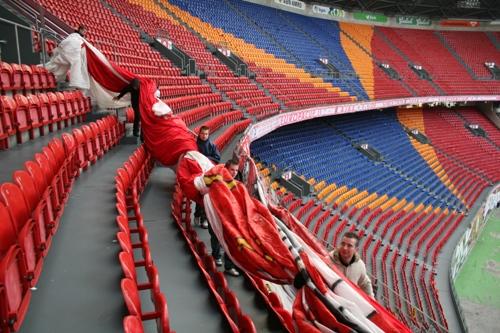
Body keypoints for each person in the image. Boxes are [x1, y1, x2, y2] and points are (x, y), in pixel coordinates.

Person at [208, 158, 241, 277]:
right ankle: (216, 256)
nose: (234, 172)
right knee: (215, 236)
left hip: (229, 217)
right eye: (232, 169)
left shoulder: (237, 181)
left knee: (230, 240)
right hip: (216, 214)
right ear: (226, 168)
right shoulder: (218, 180)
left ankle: (228, 266)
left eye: (236, 170)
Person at [329, 232, 374, 297]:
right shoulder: (328, 261)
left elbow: (365, 283)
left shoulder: (360, 265)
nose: (345, 248)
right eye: (343, 244)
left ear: (356, 249)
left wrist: (371, 299)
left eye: (349, 245)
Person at [194, 126, 220, 228]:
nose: (204, 136)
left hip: (208, 174)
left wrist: (205, 159)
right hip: (196, 173)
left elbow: (217, 158)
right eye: (202, 133)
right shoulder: (194, 145)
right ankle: (197, 214)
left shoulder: (212, 145)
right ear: (199, 133)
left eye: (206, 134)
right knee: (198, 194)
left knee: (206, 196)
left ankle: (204, 218)